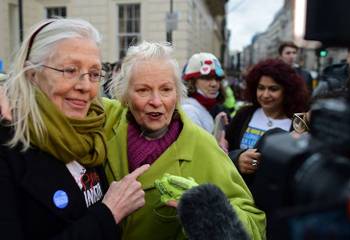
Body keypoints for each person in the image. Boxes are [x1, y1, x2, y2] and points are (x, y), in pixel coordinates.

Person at [0, 18, 149, 240]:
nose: (85, 86)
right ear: (33, 74)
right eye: (70, 70)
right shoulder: (8, 148)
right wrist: (108, 213)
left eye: (94, 73)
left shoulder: (90, 131)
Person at [103, 41, 266, 240]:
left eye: (166, 89)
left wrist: (211, 214)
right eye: (143, 90)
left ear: (178, 94)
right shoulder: (108, 121)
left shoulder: (203, 145)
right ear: (125, 95)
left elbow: (255, 225)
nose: (156, 101)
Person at [226, 59, 309, 188]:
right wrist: (237, 159)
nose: (265, 95)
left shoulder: (299, 120)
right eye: (261, 88)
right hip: (239, 191)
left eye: (273, 89)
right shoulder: (244, 114)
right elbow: (223, 152)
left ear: (287, 90)